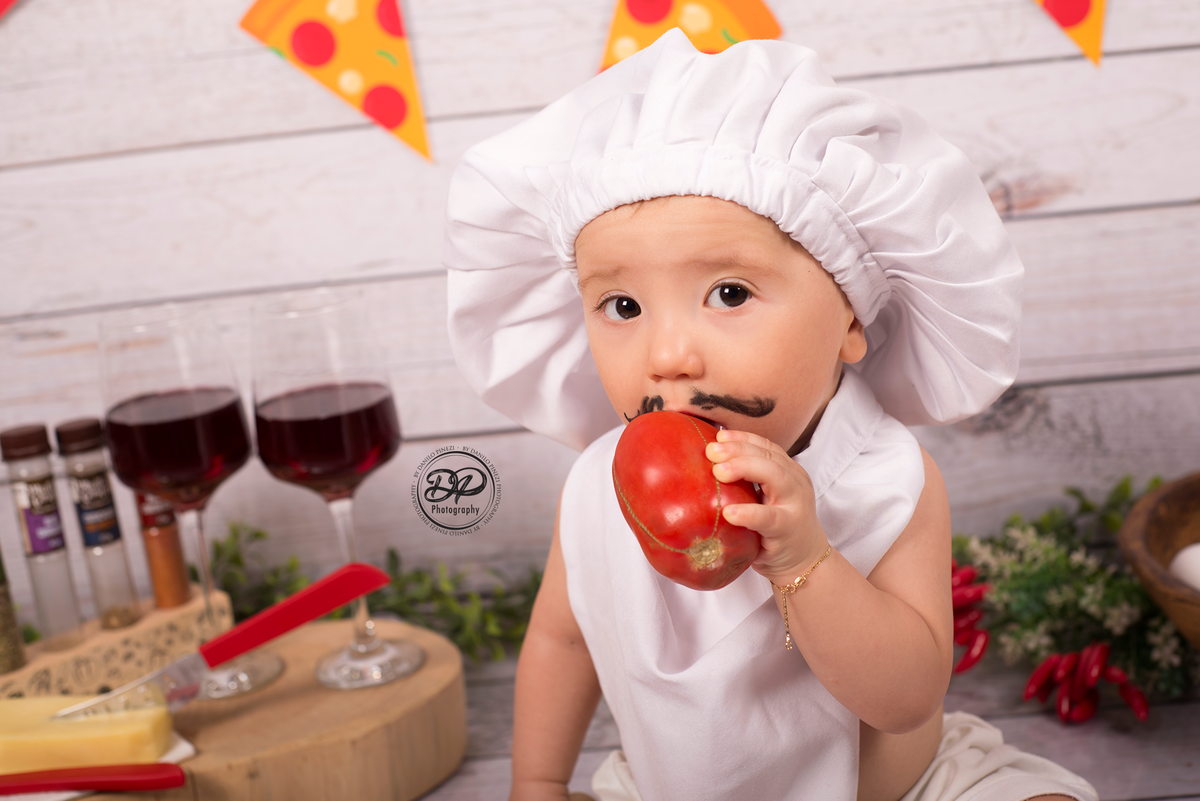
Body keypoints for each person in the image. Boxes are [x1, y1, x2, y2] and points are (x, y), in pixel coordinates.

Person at [443, 29, 1099, 801]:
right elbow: (563, 640)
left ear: (850, 317)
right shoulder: (596, 486)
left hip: (901, 789)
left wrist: (804, 560)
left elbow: (908, 698)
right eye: (622, 305)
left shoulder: (890, 479)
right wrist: (539, 781)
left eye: (729, 293)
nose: (668, 355)